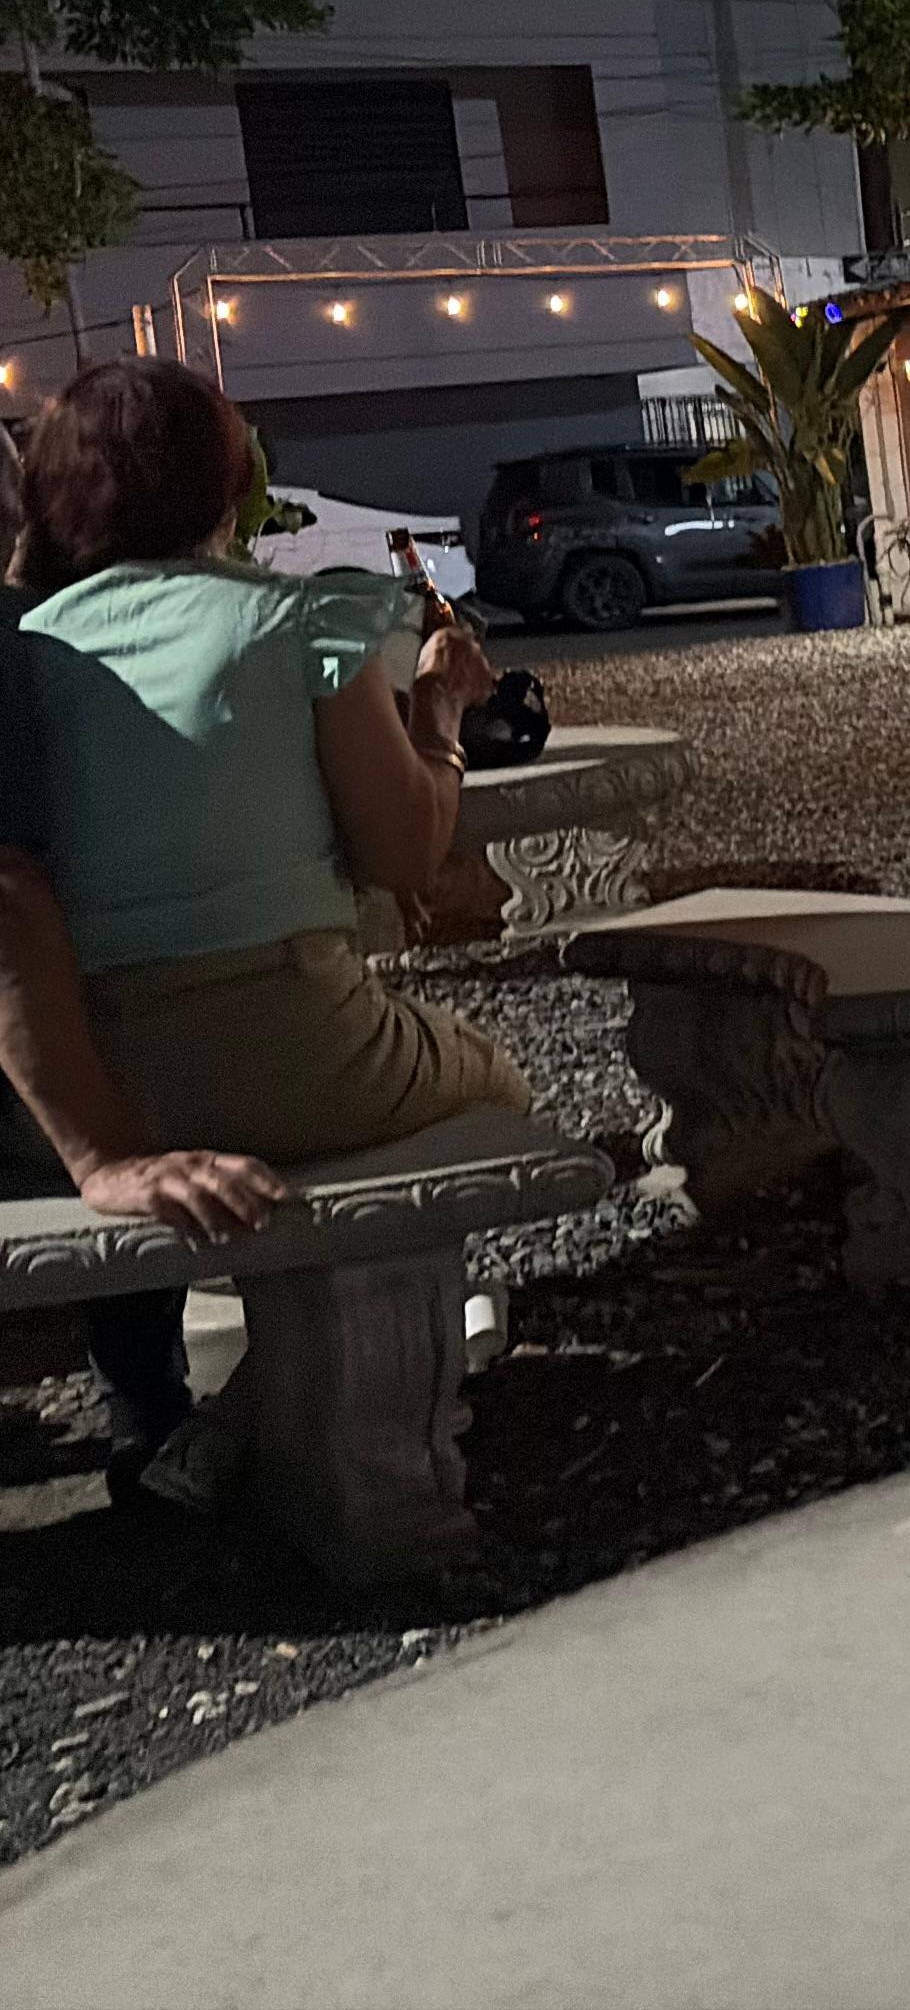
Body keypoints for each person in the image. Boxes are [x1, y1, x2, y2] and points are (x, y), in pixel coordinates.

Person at [0, 358, 523, 1475]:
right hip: (294, 1041)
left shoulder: (25, 653)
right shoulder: (299, 621)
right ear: (227, 489)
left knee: (202, 1139)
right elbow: (402, 853)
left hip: (82, 1069)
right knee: (492, 1081)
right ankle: (361, 1363)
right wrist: (438, 714)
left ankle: (172, 1405)